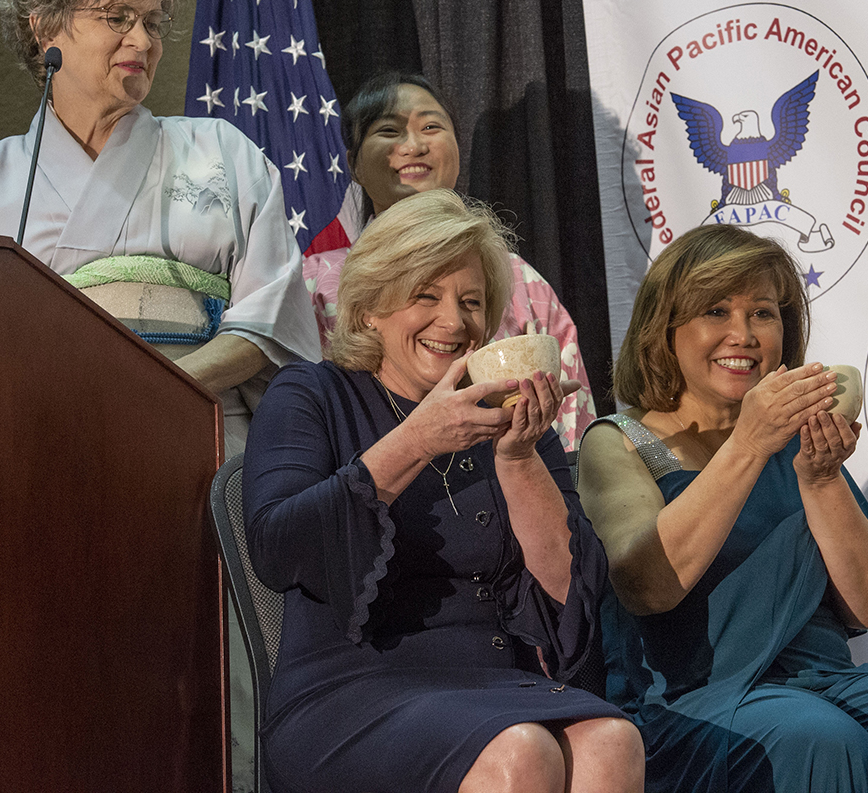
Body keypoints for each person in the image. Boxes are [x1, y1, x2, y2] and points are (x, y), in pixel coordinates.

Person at [243, 189, 644, 793]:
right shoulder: (310, 394)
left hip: (493, 683)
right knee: (521, 753)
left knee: (613, 742)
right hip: (349, 691)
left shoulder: (512, 414)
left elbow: (572, 592)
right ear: (371, 308)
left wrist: (517, 458)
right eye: (425, 296)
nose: (454, 322)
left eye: (472, 302)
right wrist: (417, 439)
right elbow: (278, 544)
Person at [577, 224, 868, 792]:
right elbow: (646, 585)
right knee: (822, 739)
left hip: (824, 679)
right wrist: (748, 446)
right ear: (664, 330)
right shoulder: (620, 442)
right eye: (716, 312)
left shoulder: (795, 434)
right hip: (692, 697)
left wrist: (820, 476)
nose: (743, 334)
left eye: (762, 313)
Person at [0, 0, 320, 455]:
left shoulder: (222, 153)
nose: (143, 41)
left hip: (200, 446)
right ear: (44, 24)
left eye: (152, 22)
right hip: (34, 453)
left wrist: (154, 388)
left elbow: (273, 320)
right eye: (117, 17)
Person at [303, 72, 595, 449]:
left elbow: (572, 426)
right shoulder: (314, 283)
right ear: (353, 164)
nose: (413, 146)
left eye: (430, 126)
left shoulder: (521, 280)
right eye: (389, 131)